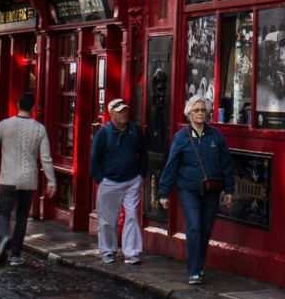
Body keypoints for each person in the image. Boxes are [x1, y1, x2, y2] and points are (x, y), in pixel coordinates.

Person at [158, 96, 235, 285]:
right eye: (196, 110)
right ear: (189, 114)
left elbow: (226, 164)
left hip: (211, 190)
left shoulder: (216, 136)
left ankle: (199, 266)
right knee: (194, 226)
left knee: (206, 229)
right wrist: (164, 192)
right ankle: (193, 271)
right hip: (188, 189)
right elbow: (171, 165)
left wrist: (229, 190)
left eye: (203, 110)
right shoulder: (181, 138)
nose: (200, 113)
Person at [0, 92, 54, 265]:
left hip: (8, 178)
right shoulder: (39, 129)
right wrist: (51, 180)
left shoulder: (5, 125)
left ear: (18, 105)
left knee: (3, 213)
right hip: (28, 179)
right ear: (33, 108)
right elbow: (46, 158)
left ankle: (5, 236)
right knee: (22, 216)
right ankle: (15, 255)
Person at [89, 98, 147, 265]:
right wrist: (100, 179)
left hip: (132, 180)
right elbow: (94, 158)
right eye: (120, 111)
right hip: (109, 181)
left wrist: (140, 175)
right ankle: (108, 250)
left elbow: (143, 153)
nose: (123, 114)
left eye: (125, 111)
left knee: (132, 215)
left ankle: (132, 252)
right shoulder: (103, 133)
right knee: (107, 220)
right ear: (111, 114)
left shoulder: (135, 131)